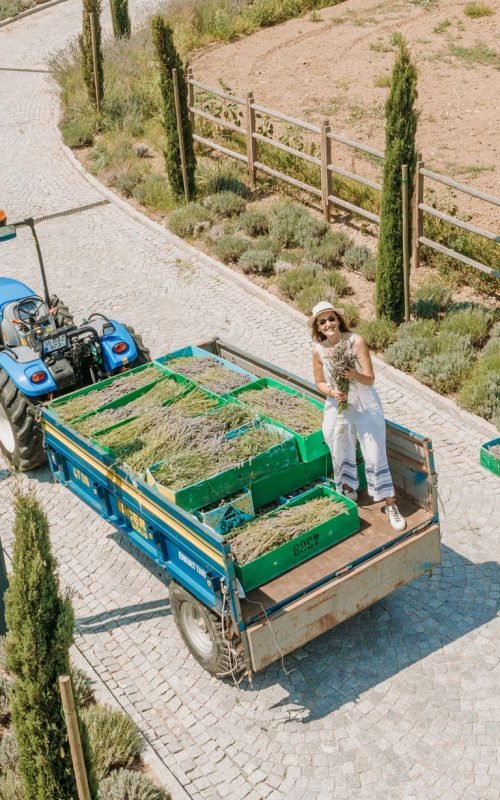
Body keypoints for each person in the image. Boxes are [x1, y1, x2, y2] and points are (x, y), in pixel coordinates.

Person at [310, 300, 406, 531]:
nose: (328, 324)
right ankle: (348, 489)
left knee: (374, 453)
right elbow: (319, 382)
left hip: (364, 403)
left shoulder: (356, 341)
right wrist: (332, 392)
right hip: (338, 403)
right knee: (337, 442)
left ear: (338, 320)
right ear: (318, 327)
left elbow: (370, 379)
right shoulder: (318, 350)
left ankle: (390, 504)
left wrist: (353, 375)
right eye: (322, 322)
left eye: (331, 318)